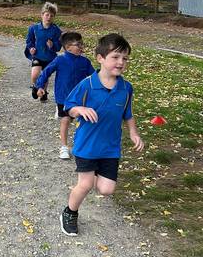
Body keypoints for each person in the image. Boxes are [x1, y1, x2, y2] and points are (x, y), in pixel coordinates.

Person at [60, 33, 144, 236]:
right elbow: (68, 107)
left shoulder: (126, 88)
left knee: (106, 189)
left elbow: (128, 113)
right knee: (86, 184)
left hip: (110, 147)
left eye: (125, 58)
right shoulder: (87, 85)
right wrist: (79, 109)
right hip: (87, 146)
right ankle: (70, 212)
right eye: (115, 57)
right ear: (100, 58)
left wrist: (134, 132)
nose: (121, 62)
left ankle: (95, 174)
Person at [35, 32, 95, 159]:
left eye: (82, 44)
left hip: (81, 98)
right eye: (78, 44)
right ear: (68, 47)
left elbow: (94, 78)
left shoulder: (85, 62)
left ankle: (81, 145)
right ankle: (64, 147)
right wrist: (40, 86)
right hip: (63, 97)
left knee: (83, 121)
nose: (82, 47)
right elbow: (46, 72)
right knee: (66, 120)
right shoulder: (60, 60)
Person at [25, 2, 62, 102]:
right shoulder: (34, 28)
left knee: (45, 76)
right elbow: (29, 41)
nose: (49, 17)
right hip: (37, 56)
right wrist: (31, 48)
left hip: (50, 57)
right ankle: (35, 87)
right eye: (47, 14)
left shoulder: (56, 30)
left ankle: (44, 93)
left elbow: (58, 46)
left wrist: (52, 45)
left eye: (51, 15)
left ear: (54, 17)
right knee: (35, 74)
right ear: (42, 15)